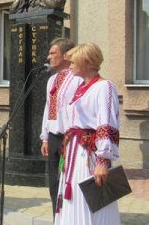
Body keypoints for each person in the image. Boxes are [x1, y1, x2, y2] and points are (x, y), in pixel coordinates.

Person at [54, 42, 120, 225]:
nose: (70, 65)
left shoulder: (104, 86)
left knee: (90, 201)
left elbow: (107, 123)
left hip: (89, 155)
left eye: (74, 61)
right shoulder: (81, 87)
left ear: (88, 62)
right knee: (73, 197)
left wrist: (103, 161)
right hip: (75, 152)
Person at [40, 38, 83, 216]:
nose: (48, 57)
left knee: (69, 181)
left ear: (66, 55)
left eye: (52, 53)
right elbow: (48, 107)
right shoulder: (51, 80)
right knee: (53, 182)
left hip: (71, 138)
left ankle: (70, 217)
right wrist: (45, 137)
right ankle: (56, 216)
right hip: (53, 137)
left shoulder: (78, 79)